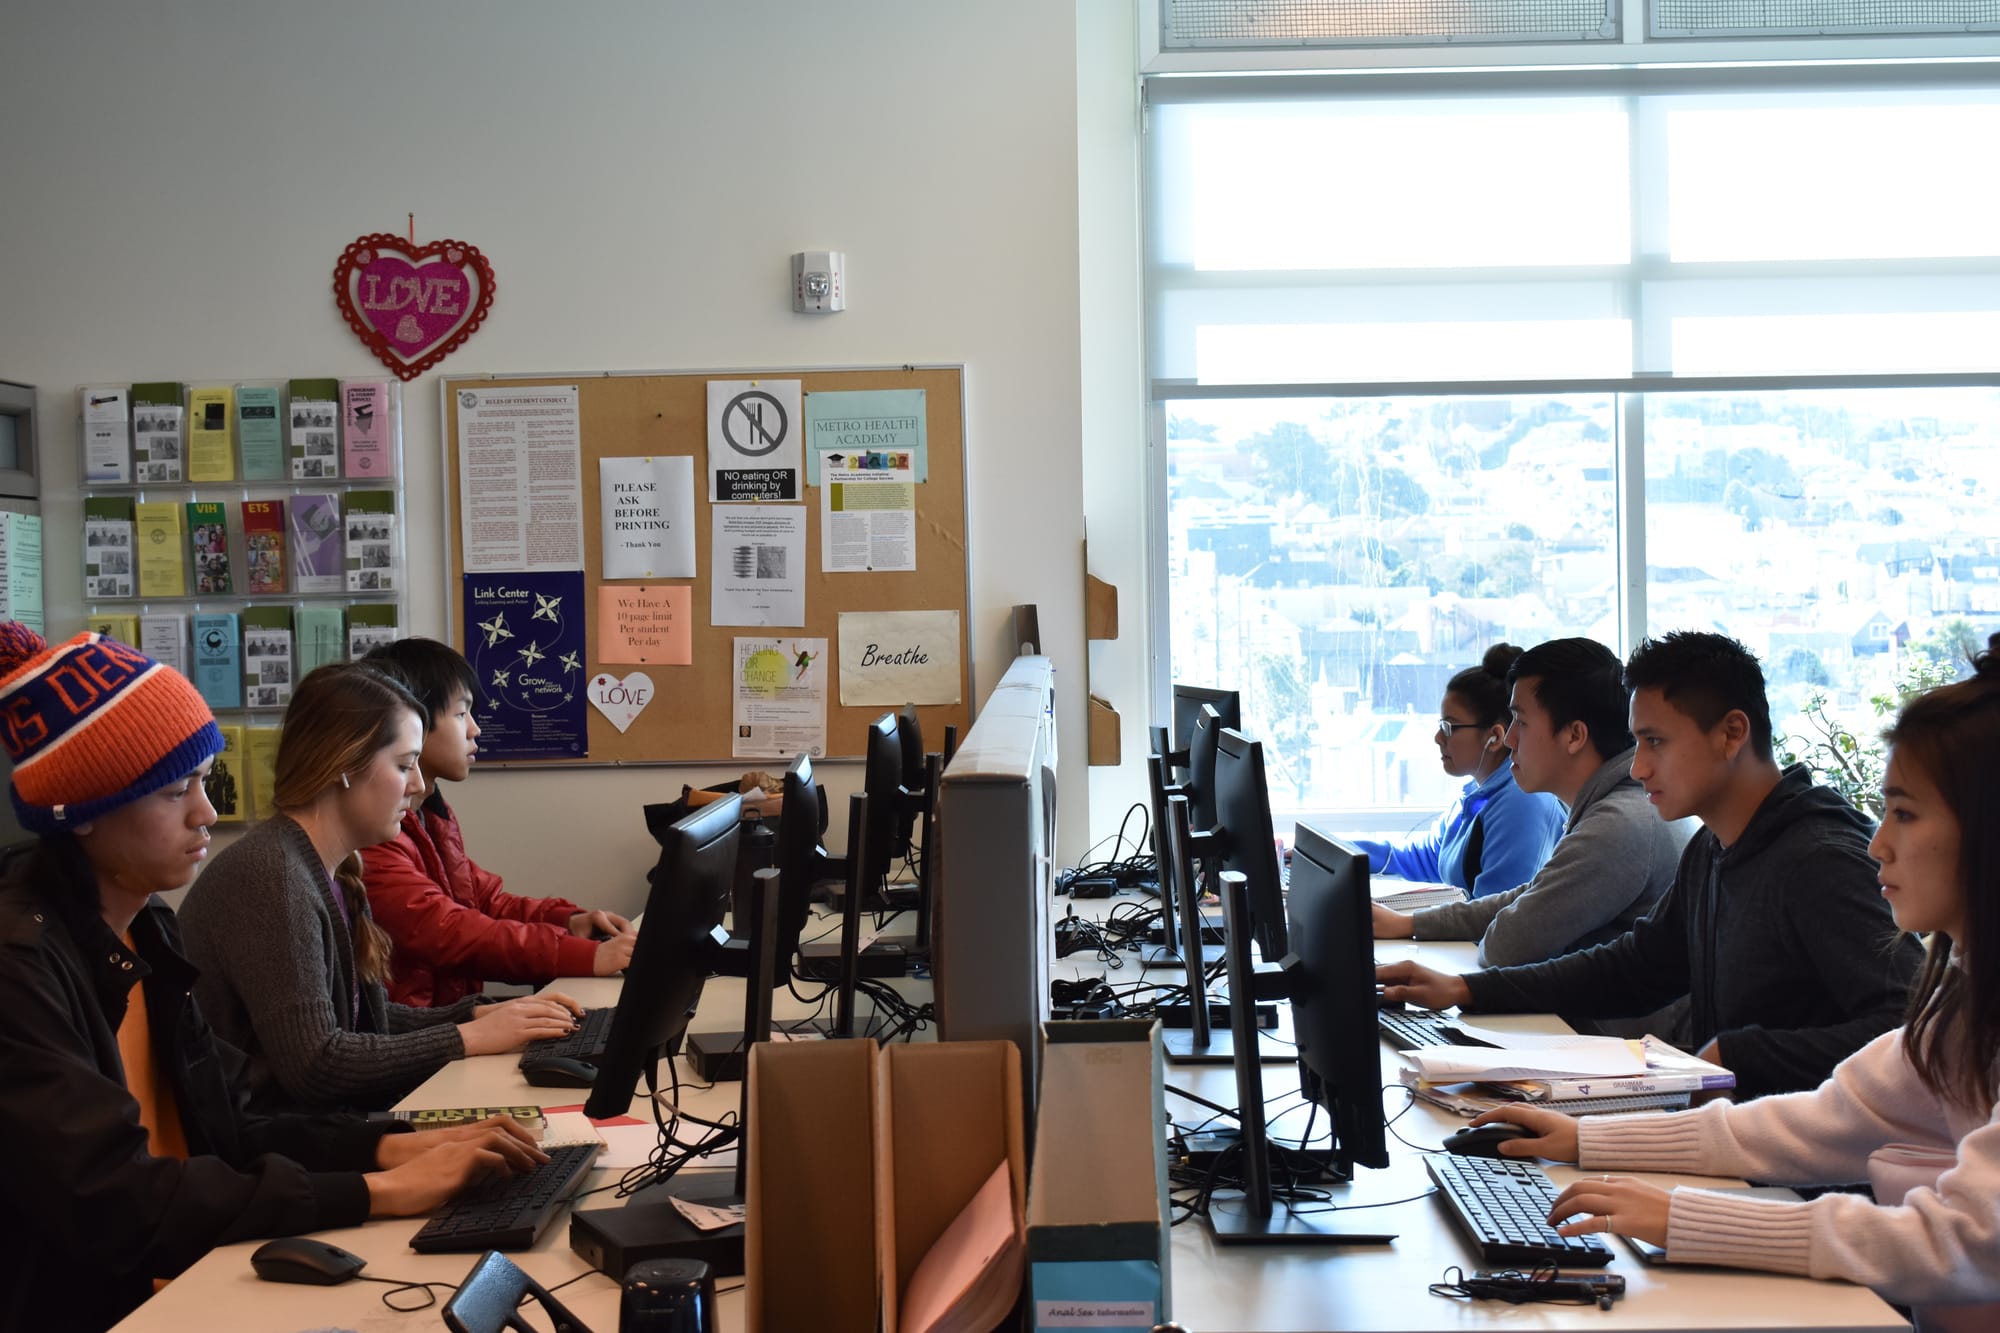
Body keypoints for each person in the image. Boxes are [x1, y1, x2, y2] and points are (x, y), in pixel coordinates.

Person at [0, 627, 545, 1333]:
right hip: (109, 1303)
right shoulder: (21, 969)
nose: (206, 812)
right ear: (82, 814)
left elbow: (235, 1118)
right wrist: (377, 1189)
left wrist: (398, 1145)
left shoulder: (144, 928)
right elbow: (118, 1197)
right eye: (174, 791)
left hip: (186, 1269)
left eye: (203, 780)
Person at [1475, 635, 2000, 1322]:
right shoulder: (1962, 991)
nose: (1879, 843)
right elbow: (1827, 1117)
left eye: (1904, 812)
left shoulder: (1817, 857)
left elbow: (1966, 1238)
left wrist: (1686, 1217)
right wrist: (1586, 1138)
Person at [1379, 630, 1922, 1100]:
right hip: (1728, 1136)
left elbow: (1911, 1025)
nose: (1638, 767)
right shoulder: (1715, 848)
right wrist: (1469, 992)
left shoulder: (1818, 859)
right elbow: (1637, 966)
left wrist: (1743, 1053)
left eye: (1655, 742)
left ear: (1733, 733)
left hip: (1806, 1178)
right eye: (1637, 742)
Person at [179, 663, 584, 1114]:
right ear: (346, 766)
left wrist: (472, 1014)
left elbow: (364, 1020)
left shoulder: (329, 866)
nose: (415, 785)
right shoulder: (274, 879)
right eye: (404, 765)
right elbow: (316, 1065)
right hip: (272, 1154)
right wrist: (465, 1037)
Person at [1374, 637, 1690, 968]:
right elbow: (1530, 895)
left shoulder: (1619, 824)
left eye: (1521, 722)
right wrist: (1410, 925)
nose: (1509, 740)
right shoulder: (1610, 806)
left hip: (1585, 1021)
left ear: (1574, 736)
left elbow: (1504, 947)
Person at [359, 637, 636, 1008]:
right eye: (461, 715)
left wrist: (569, 921)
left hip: (444, 1020)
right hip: (416, 1039)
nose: (475, 729)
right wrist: (587, 957)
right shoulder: (375, 834)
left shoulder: (430, 814)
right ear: (411, 723)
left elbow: (483, 900)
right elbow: (450, 932)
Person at [1353, 643, 1566, 900]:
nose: (1438, 737)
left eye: (1449, 727)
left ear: (1495, 736)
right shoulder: (1479, 794)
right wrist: (1345, 854)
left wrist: (1409, 925)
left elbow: (1495, 916)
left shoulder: (1521, 803)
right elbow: (1426, 859)